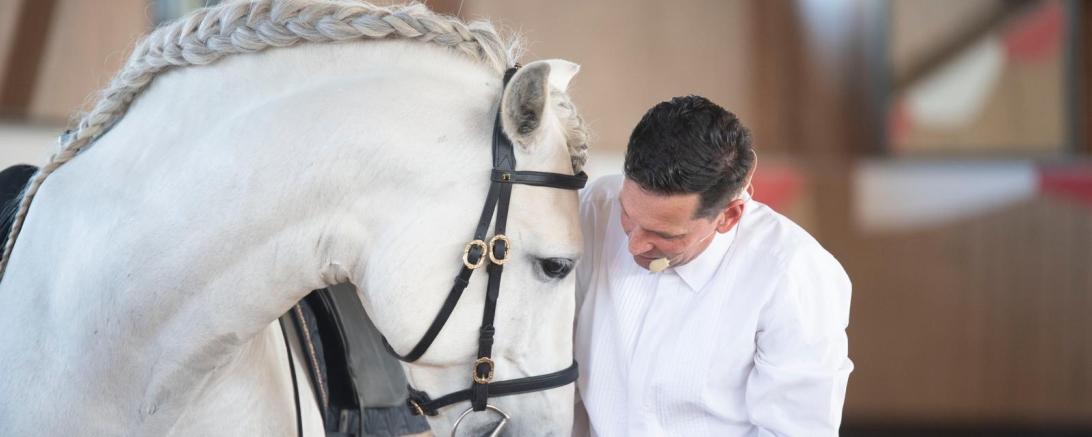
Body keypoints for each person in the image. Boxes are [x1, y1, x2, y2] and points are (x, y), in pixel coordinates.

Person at [573, 96, 852, 436]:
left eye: (664, 233)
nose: (634, 244)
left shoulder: (793, 274)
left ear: (729, 216)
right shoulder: (596, 207)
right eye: (628, 216)